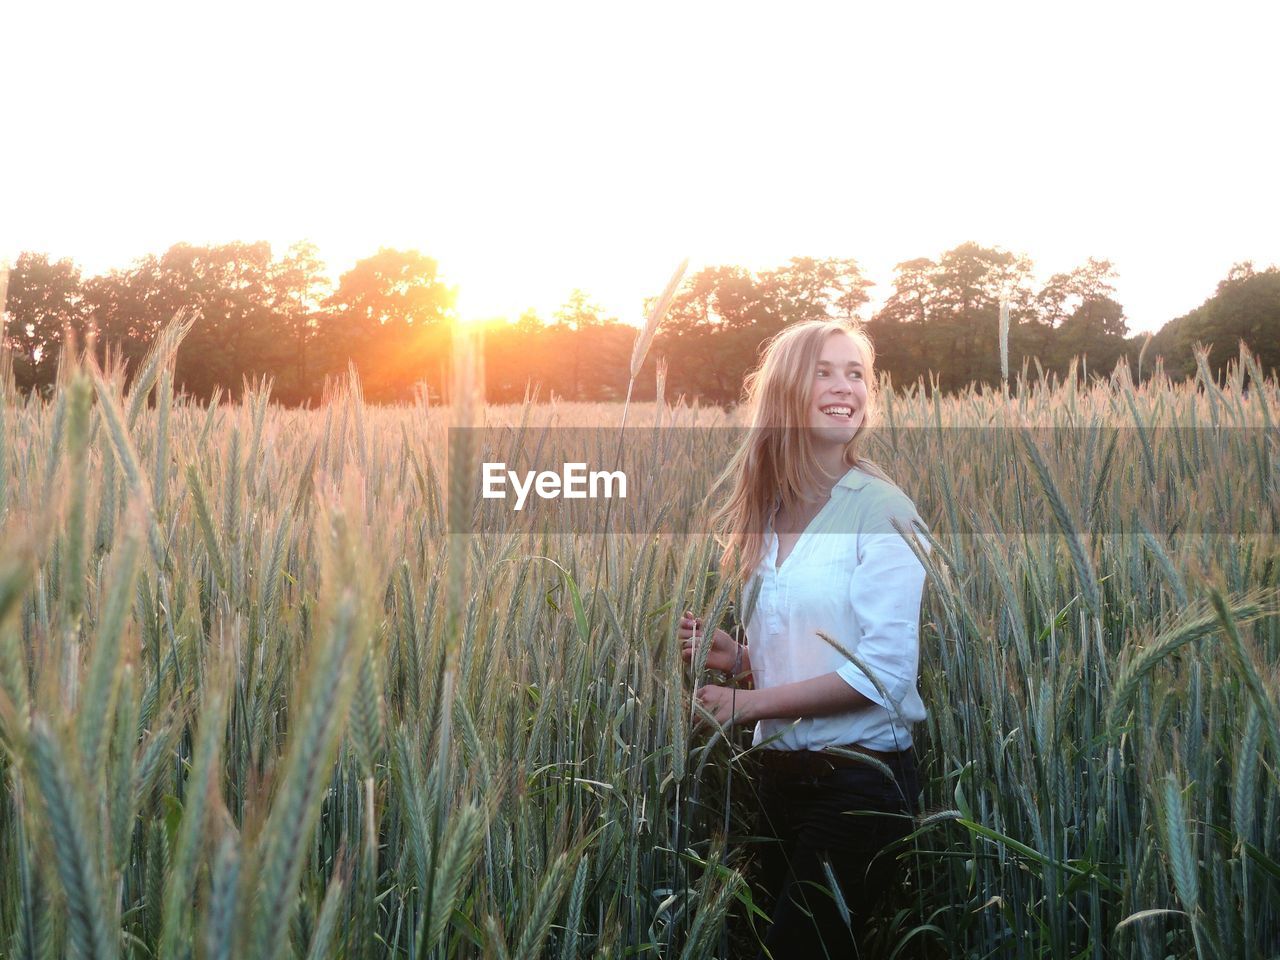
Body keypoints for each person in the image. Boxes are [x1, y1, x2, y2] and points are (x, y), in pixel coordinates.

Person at [677, 318, 928, 958]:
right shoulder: (766, 514)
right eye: (825, 371)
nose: (846, 387)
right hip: (780, 778)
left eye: (857, 374)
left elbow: (884, 674)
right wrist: (747, 658)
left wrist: (748, 705)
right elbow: (818, 643)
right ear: (787, 388)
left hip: (862, 781)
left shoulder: (882, 509)